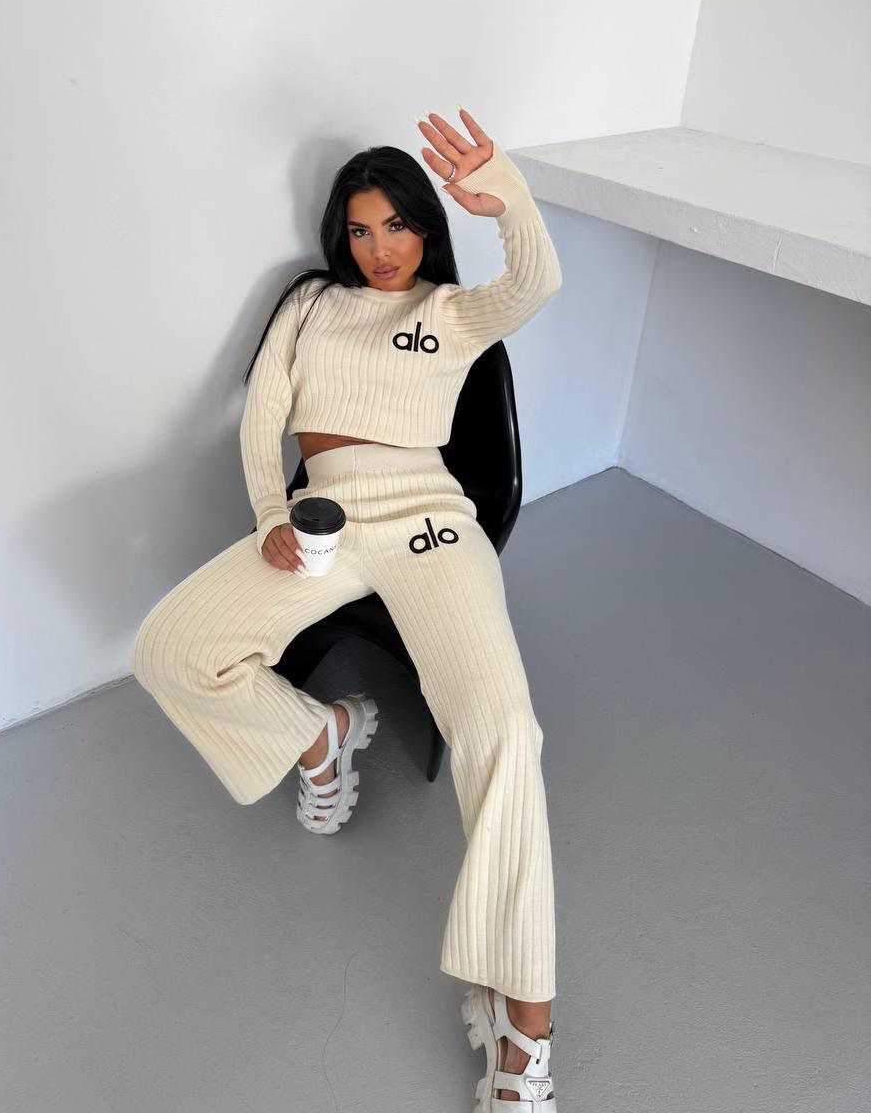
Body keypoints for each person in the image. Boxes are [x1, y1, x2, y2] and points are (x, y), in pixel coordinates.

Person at [130, 108, 564, 1108]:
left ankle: (524, 1027)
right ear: (341, 234)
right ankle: (320, 734)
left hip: (428, 518)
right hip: (321, 518)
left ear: (426, 227)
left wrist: (509, 195)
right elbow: (264, 416)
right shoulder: (313, 303)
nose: (380, 248)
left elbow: (536, 283)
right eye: (362, 229)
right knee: (171, 646)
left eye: (398, 224)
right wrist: (270, 514)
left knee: (505, 729)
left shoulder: (455, 311)